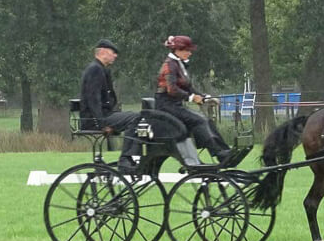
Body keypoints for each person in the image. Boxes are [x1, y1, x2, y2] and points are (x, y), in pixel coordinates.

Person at [155, 35, 232, 163]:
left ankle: (224, 151)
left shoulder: (179, 64)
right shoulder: (169, 65)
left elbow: (188, 87)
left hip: (175, 105)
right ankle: (218, 154)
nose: (190, 53)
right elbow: (172, 89)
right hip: (166, 106)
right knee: (199, 120)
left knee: (206, 120)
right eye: (187, 50)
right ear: (178, 50)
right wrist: (191, 98)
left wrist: (205, 97)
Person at [80, 39, 138, 170]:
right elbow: (93, 99)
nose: (115, 55)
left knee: (135, 116)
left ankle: (130, 156)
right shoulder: (95, 69)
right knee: (136, 118)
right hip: (95, 119)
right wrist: (102, 124)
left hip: (104, 116)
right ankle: (126, 158)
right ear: (103, 52)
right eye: (113, 52)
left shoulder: (101, 69)